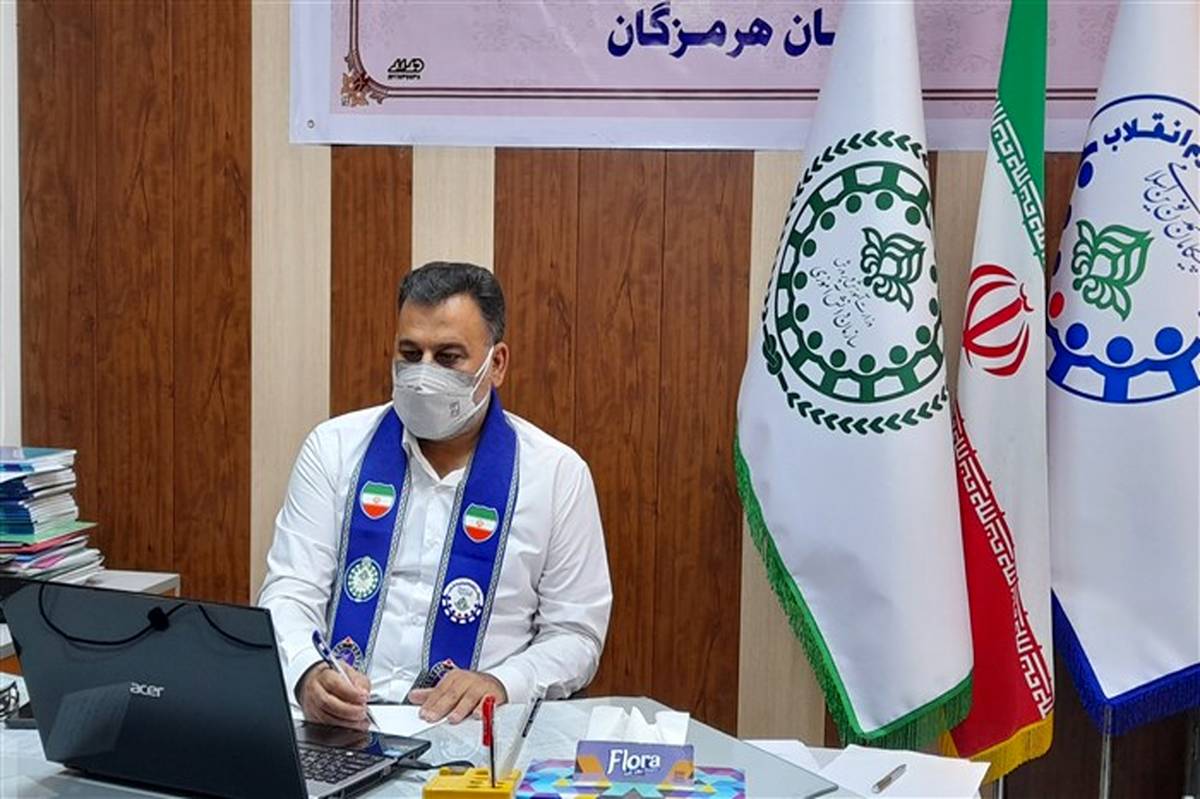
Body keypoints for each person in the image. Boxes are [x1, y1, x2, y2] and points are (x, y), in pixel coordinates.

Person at [259, 261, 612, 728]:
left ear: (496, 364)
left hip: (476, 731)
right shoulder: (334, 448)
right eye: (410, 354)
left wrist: (502, 683)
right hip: (341, 728)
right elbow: (290, 591)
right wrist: (308, 672)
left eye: (448, 357)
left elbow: (576, 634)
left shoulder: (556, 474)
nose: (422, 375)